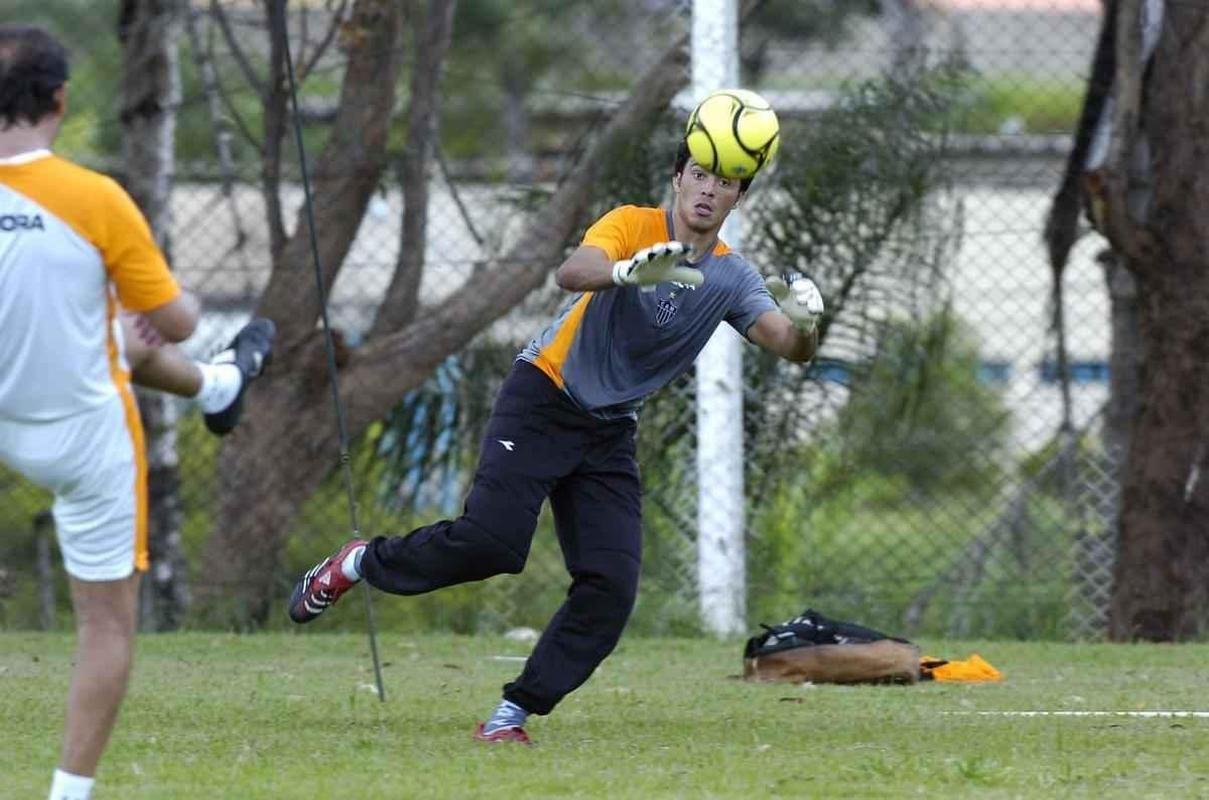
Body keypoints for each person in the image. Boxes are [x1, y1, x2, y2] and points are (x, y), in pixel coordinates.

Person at [288, 136, 825, 744]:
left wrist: (807, 325)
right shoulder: (632, 224)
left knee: (611, 586)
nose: (708, 190)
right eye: (699, 175)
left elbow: (788, 343)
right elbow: (574, 271)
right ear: (678, 178)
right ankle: (358, 561)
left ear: (738, 196)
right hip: (542, 396)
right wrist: (624, 272)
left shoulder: (731, 275)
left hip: (609, 432)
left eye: (724, 183)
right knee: (491, 543)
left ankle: (510, 716)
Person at [0, 24, 274, 800]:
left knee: (116, 334)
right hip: (80, 436)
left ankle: (219, 390)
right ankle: (68, 794)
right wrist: (162, 303)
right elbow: (181, 321)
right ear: (58, 100)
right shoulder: (93, 198)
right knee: (107, 625)